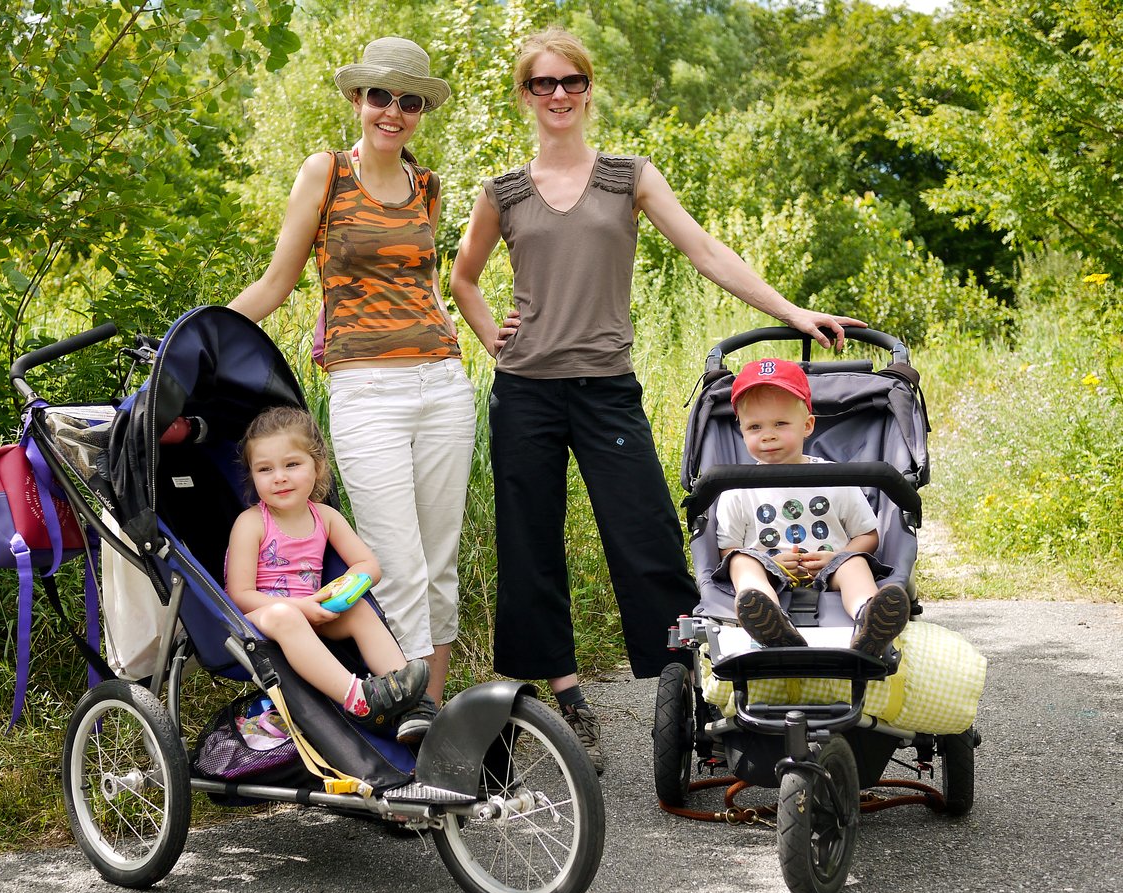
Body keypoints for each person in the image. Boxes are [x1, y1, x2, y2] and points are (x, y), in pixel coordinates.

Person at [449, 27, 865, 773]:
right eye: (542, 84)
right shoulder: (503, 193)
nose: (558, 96)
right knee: (530, 550)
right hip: (525, 394)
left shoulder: (628, 176)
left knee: (645, 539)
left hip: (607, 389)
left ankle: (695, 687)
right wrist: (491, 337)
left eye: (571, 82)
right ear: (525, 95)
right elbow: (464, 279)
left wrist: (794, 313)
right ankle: (568, 697)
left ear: (587, 87)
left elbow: (706, 251)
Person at [227, 37, 473, 714]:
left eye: (410, 100)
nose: (394, 111)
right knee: (396, 566)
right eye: (381, 96)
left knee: (441, 568)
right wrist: (197, 335)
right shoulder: (326, 173)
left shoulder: (427, 186)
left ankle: (437, 718)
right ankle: (403, 720)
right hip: (367, 393)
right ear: (358, 101)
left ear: (421, 111)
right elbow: (278, 281)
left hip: (443, 385)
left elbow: (417, 283)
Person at [226, 406, 433, 743]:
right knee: (283, 615)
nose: (279, 477)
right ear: (253, 475)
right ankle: (361, 701)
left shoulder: (325, 517)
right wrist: (302, 607)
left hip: (315, 611)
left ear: (317, 467)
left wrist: (343, 591)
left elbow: (369, 566)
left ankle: (413, 704)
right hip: (260, 620)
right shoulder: (251, 523)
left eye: (292, 464)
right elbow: (240, 593)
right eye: (265, 469)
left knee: (360, 608)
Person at [714, 358, 911, 655]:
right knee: (741, 562)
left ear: (807, 426)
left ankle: (869, 620)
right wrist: (771, 562)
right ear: (741, 431)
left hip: (829, 570)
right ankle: (769, 621)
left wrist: (838, 556)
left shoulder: (836, 478)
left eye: (780, 423)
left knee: (854, 563)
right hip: (769, 570)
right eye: (755, 427)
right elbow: (727, 549)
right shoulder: (737, 486)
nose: (768, 435)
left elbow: (868, 535)